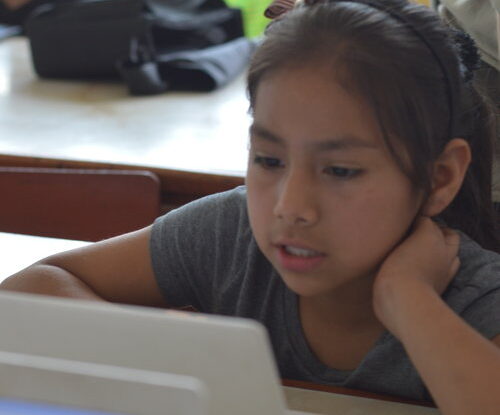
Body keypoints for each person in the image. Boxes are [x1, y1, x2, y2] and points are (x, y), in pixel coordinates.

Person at [1, 0, 500, 413]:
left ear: (439, 177)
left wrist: (410, 302)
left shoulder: (477, 299)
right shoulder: (232, 235)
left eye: (341, 171)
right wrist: (182, 352)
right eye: (268, 159)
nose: (291, 206)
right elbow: (26, 292)